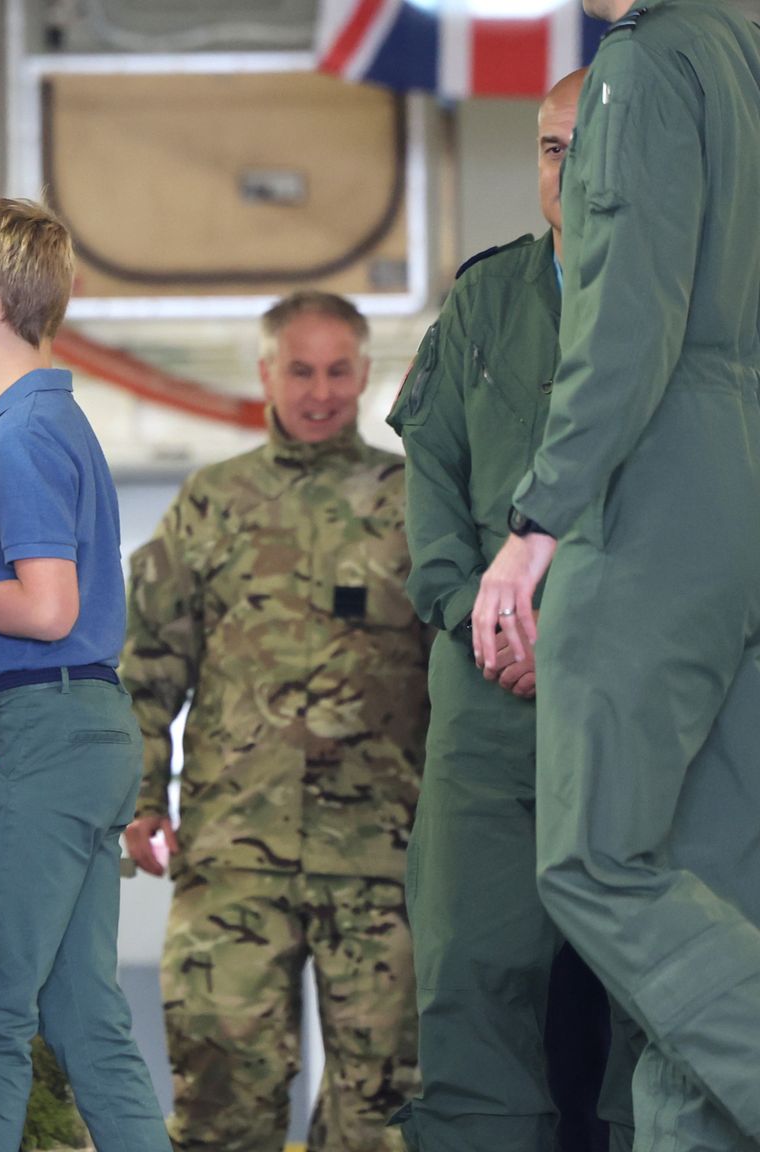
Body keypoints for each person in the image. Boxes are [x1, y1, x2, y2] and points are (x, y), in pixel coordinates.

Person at [471, 1, 760, 1143]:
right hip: (735, 493)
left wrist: (535, 520)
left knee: (594, 861)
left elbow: (627, 318)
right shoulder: (741, 54)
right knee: (709, 887)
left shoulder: (637, 66)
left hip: (651, 492)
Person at [387, 68, 641, 1152]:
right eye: (547, 149)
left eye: (585, 148)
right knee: (469, 970)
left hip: (641, 691)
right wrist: (468, 615)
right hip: (486, 697)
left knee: (651, 983)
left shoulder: (687, 300)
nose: (565, 172)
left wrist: (583, 641)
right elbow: (430, 487)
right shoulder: (482, 301)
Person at [122, 290, 427, 1151]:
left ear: (366, 374)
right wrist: (143, 796)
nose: (321, 390)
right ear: (266, 374)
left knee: (386, 1109)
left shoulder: (416, 504)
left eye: (338, 371)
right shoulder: (213, 502)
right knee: (223, 1100)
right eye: (301, 369)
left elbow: (461, 679)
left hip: (384, 857)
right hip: (233, 858)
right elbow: (149, 664)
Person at [0, 199, 167, 1152]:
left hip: (41, 733)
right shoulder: (44, 425)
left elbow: (48, 608)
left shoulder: (17, 439)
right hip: (81, 727)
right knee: (84, 1017)